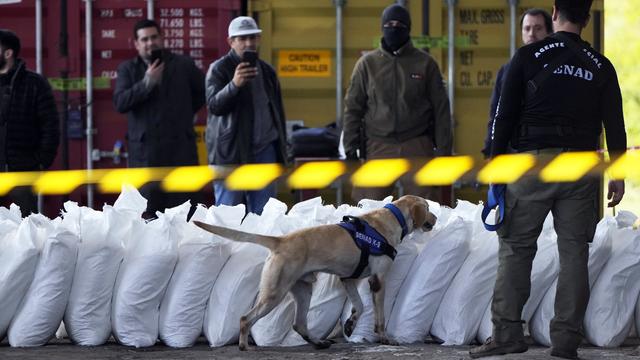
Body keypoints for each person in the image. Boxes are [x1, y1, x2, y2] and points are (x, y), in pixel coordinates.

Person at [470, 1, 626, 359]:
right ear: (586, 18)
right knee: (574, 253)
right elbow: (615, 126)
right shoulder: (601, 66)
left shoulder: (527, 56)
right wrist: (617, 175)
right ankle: (566, 342)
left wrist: (496, 164)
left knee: (516, 249)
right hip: (582, 168)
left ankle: (508, 334)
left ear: (555, 13)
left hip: (532, 165)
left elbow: (502, 116)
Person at [342, 4, 452, 203]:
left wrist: (444, 150)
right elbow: (353, 108)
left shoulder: (425, 63)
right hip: (378, 145)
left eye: (400, 24)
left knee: (424, 208)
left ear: (408, 28)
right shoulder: (367, 64)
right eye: (389, 24)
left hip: (417, 144)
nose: (394, 28)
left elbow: (442, 110)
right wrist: (350, 147)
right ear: (382, 27)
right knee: (368, 208)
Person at [113, 19, 205, 218]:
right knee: (148, 216)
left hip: (181, 154)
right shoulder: (127, 69)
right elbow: (121, 102)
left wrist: (183, 115)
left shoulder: (184, 65)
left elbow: (201, 94)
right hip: (146, 158)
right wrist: (147, 83)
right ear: (136, 44)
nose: (150, 43)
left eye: (154, 37)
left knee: (185, 215)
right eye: (144, 39)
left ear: (162, 39)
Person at [205, 16, 288, 215]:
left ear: (259, 39)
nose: (248, 43)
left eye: (252, 37)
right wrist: (234, 84)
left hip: (264, 150)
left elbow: (277, 112)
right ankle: (225, 248)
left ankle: (260, 248)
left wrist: (282, 149)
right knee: (228, 213)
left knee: (264, 215)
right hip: (230, 152)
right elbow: (214, 106)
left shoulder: (267, 71)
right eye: (242, 39)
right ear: (230, 42)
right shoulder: (219, 69)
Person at [0, 29, 59, 217]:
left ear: (8, 53)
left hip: (23, 170)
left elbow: (50, 126)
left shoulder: (35, 83)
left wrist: (40, 162)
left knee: (27, 227)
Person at [482, 8, 553, 157]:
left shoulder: (558, 67)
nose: (531, 34)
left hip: (548, 147)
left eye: (538, 28)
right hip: (514, 148)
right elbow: (496, 114)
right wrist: (490, 149)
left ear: (549, 32)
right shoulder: (508, 69)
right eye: (527, 29)